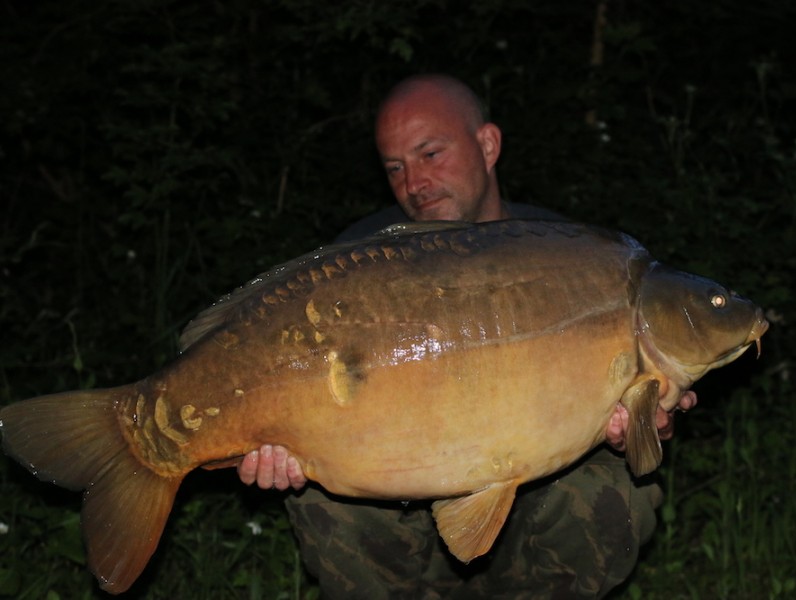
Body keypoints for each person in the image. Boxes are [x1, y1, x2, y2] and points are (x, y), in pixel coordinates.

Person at [238, 74, 697, 599]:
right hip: (399, 496)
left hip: (534, 496)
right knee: (322, 503)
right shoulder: (361, 262)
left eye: (430, 154)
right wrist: (279, 451)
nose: (414, 183)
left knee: (616, 489)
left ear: (487, 144)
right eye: (395, 168)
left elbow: (634, 414)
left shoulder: (567, 257)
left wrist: (641, 424)